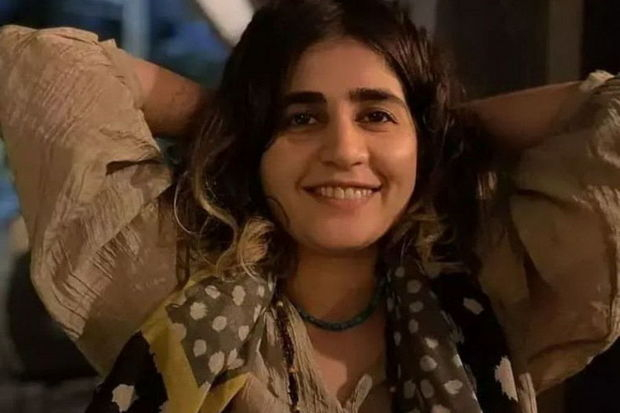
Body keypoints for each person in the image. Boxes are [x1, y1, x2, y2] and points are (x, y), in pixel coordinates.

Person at [0, 0, 618, 412]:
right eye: (301, 118)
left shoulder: (493, 291)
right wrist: (230, 124)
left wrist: (446, 132)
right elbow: (39, 64)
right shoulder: (164, 282)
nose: (344, 150)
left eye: (376, 115)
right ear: (257, 146)